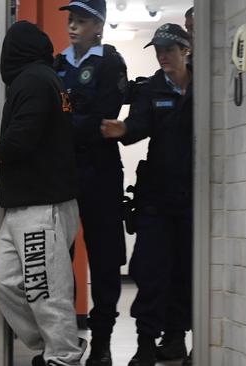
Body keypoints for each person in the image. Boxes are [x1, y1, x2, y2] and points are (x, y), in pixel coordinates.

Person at [0, 20, 84, 366]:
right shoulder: (41, 79)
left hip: (41, 204)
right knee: (7, 281)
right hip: (26, 204)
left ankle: (63, 356)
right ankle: (52, 346)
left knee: (45, 289)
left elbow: (23, 137)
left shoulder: (34, 80)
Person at [101, 23, 193, 366]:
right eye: (158, 50)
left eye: (168, 49)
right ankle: (144, 343)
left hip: (192, 200)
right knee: (152, 270)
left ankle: (175, 339)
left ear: (185, 50)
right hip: (156, 198)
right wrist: (124, 129)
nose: (162, 55)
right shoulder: (152, 89)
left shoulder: (204, 86)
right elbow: (139, 124)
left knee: (186, 272)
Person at [54, 1, 128, 365]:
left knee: (104, 260)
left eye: (81, 21)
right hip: (65, 172)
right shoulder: (57, 64)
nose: (72, 27)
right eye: (70, 20)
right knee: (58, 260)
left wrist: (67, 123)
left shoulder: (111, 62)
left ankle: (102, 341)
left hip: (101, 172)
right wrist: (77, 121)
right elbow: (57, 115)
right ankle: (65, 339)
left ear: (99, 26)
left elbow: (105, 116)